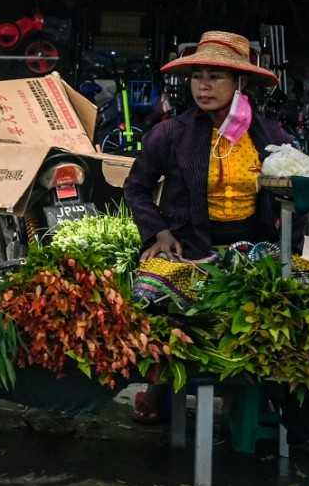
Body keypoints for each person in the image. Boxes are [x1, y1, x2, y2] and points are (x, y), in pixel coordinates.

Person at [123, 31, 291, 424]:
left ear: (240, 83)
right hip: (191, 248)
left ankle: (262, 395)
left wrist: (286, 247)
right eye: (198, 75)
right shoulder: (171, 133)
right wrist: (159, 234)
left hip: (253, 249)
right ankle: (162, 387)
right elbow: (137, 187)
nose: (203, 85)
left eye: (216, 76)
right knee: (149, 292)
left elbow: (294, 196)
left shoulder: (269, 136)